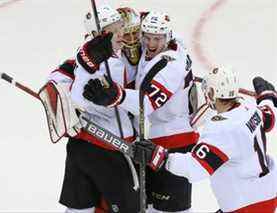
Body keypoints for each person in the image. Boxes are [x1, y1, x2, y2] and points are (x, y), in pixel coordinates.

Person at [83, 11, 199, 213]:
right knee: (149, 206)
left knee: (172, 209)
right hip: (152, 141)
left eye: (157, 39)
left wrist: (115, 96)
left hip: (174, 142)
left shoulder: (171, 66)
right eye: (147, 37)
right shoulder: (165, 46)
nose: (151, 44)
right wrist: (133, 17)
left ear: (167, 36)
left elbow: (146, 104)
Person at [133, 67, 277, 213]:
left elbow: (194, 168)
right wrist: (268, 97)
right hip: (266, 194)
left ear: (213, 93)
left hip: (247, 205)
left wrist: (158, 157)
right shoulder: (250, 107)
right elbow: (270, 117)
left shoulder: (222, 128)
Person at [46, 5, 142, 213]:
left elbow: (58, 79)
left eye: (120, 28)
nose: (121, 34)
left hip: (81, 147)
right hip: (108, 150)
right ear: (99, 35)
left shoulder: (91, 57)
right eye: (114, 30)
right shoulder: (101, 62)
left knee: (78, 208)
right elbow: (78, 98)